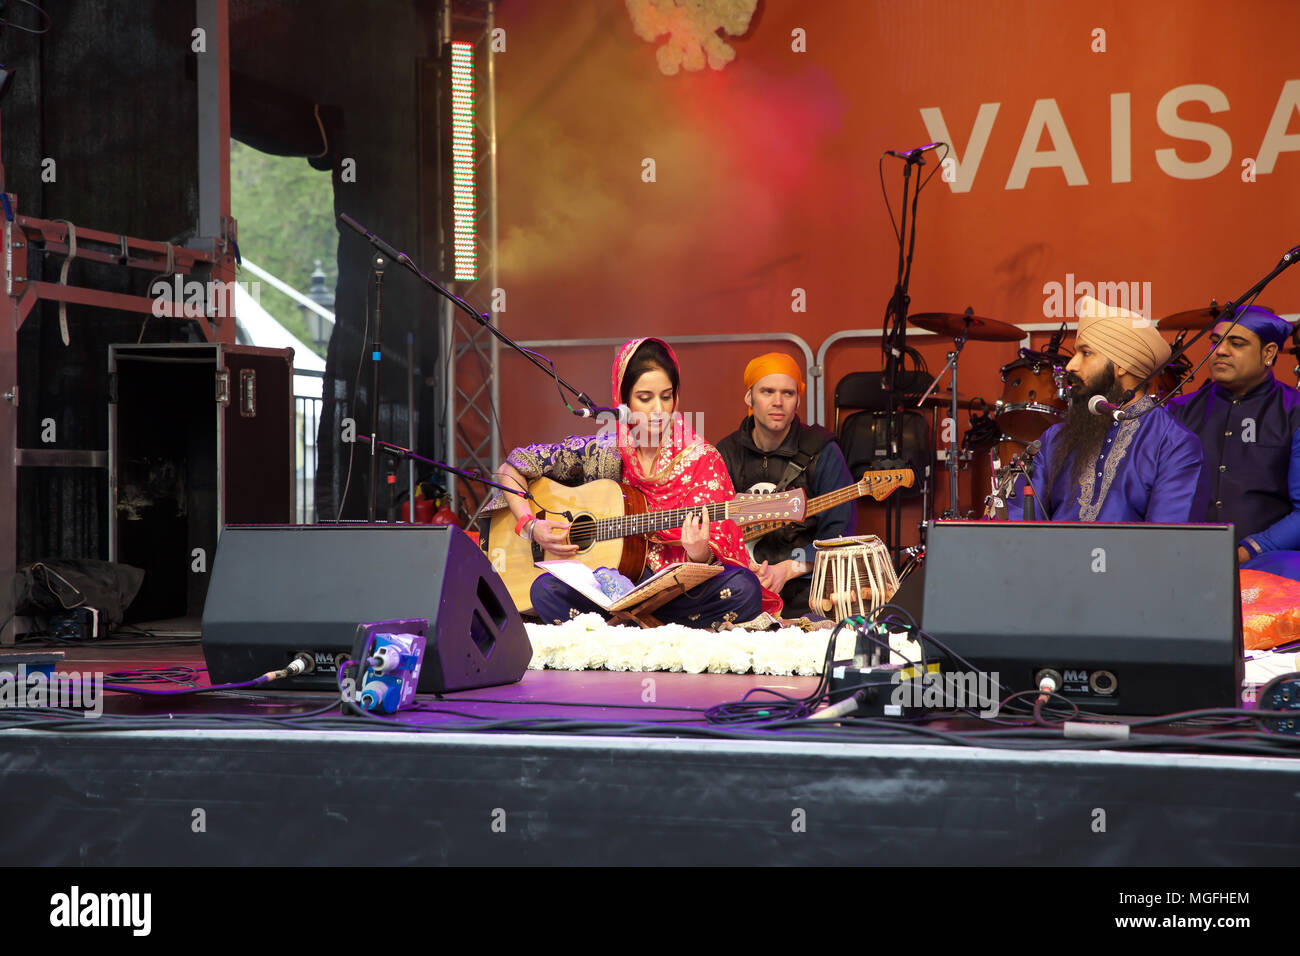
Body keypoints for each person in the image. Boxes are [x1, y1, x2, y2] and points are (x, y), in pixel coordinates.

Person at [492, 337, 776, 627]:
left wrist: (699, 553)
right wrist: (530, 525)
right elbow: (511, 468)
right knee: (544, 590)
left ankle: (627, 625)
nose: (658, 409)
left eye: (666, 396)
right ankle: (647, 625)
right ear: (623, 401)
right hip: (611, 588)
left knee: (743, 589)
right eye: (645, 398)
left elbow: (718, 555)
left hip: (678, 593)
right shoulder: (604, 451)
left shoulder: (702, 459)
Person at [1004, 295, 1208, 522]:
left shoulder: (1174, 445)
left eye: (1086, 353)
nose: (1070, 365)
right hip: (1053, 557)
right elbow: (1021, 523)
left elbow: (1168, 544)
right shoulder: (1054, 439)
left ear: (1123, 365)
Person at [715, 352, 856, 616]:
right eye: (767, 391)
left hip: (809, 589)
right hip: (740, 585)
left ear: (797, 401)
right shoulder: (725, 454)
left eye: (787, 393)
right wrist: (746, 569)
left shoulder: (823, 451)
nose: (778, 402)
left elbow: (841, 531)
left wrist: (787, 569)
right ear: (749, 397)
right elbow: (714, 531)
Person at [1167, 306, 1300, 568]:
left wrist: (1249, 550)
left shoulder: (1294, 413)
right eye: (1216, 342)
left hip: (1268, 566)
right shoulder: (1178, 412)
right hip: (1186, 563)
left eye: (1236, 343)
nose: (1220, 351)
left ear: (1269, 353)